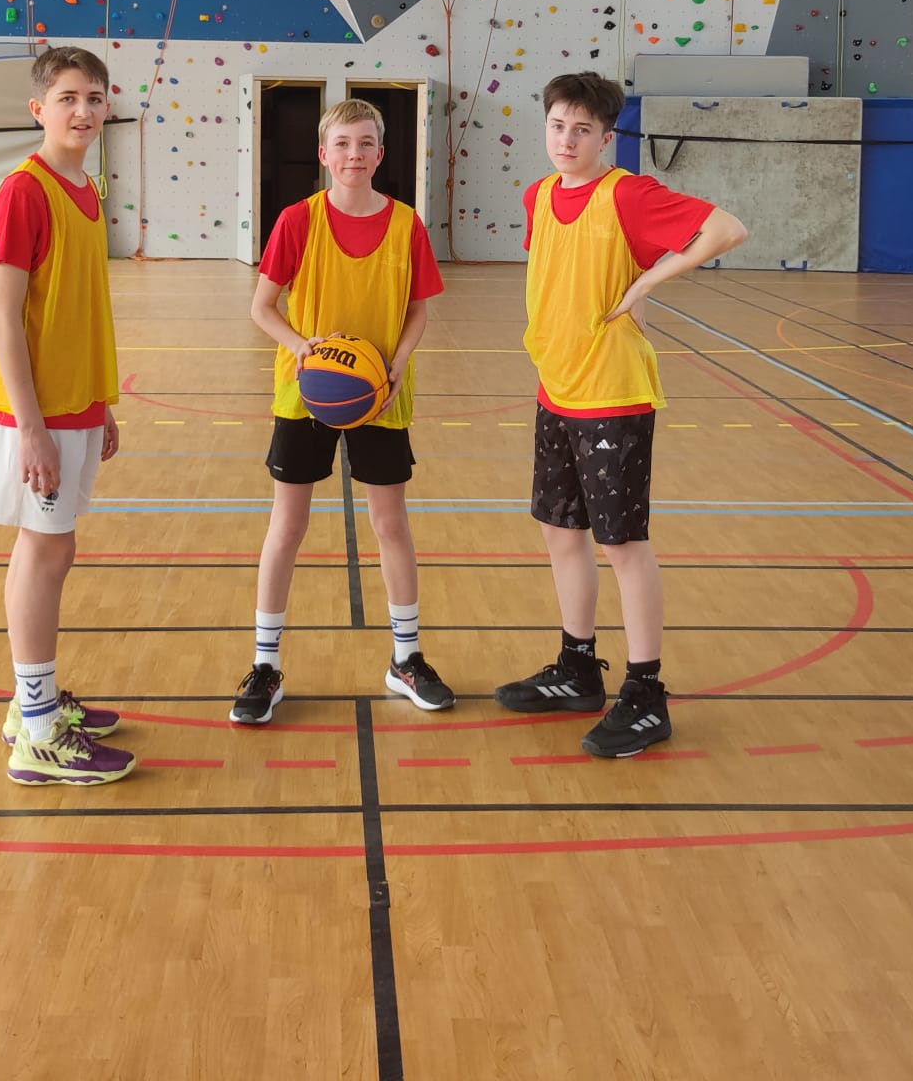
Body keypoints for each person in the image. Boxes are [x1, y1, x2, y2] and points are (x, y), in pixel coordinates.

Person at [495, 72, 747, 757]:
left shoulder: (628, 194)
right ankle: (578, 668)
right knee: (560, 531)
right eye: (558, 126)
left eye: (582, 130)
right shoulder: (539, 195)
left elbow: (726, 229)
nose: (567, 140)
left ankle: (645, 692)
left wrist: (648, 280)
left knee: (623, 544)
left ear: (606, 137)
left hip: (612, 394)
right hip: (556, 388)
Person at [230, 98, 453, 725]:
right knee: (288, 526)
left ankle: (406, 658)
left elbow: (418, 310)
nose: (354, 154)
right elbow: (262, 307)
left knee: (390, 525)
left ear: (381, 154)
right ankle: (265, 665)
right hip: (306, 393)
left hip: (381, 393)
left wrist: (397, 362)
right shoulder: (298, 220)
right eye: (343, 144)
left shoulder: (407, 224)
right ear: (324, 154)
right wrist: (304, 348)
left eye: (365, 143)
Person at [0, 48, 133, 785]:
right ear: (38, 108)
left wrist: (101, 401)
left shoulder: (87, 189)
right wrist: (32, 427)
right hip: (37, 413)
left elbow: (81, 310)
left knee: (49, 551)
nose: (83, 110)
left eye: (95, 98)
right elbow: (4, 319)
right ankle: (40, 735)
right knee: (45, 554)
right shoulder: (25, 190)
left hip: (76, 403)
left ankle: (31, 705)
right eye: (68, 97)